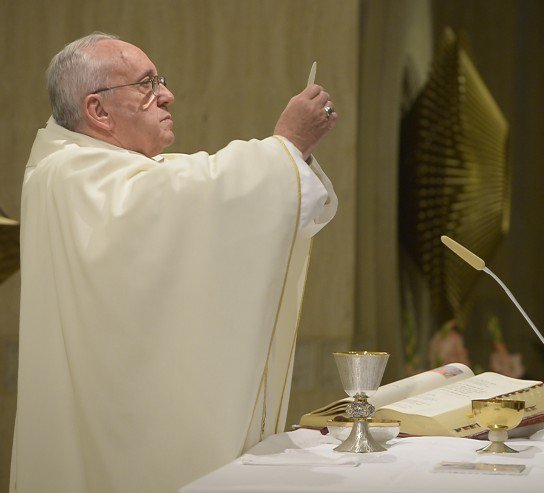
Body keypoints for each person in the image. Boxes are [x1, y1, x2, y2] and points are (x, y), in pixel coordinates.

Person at [10, 32, 338, 492]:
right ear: (97, 111)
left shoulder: (97, 169)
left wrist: (288, 156)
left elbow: (190, 191)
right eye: (147, 84)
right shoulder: (68, 173)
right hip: (114, 429)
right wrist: (284, 147)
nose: (167, 95)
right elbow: (193, 192)